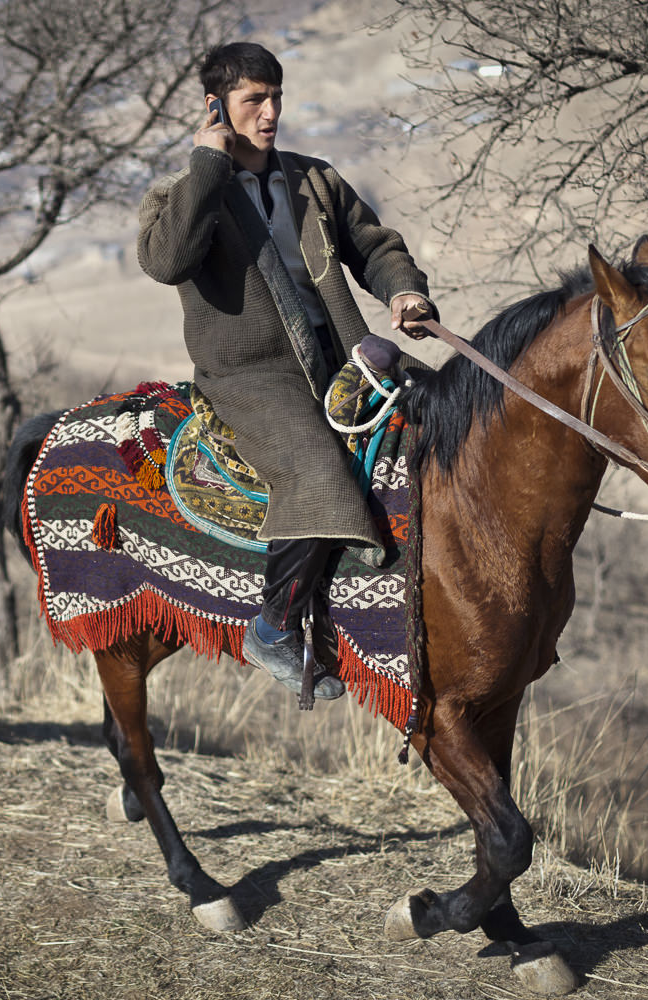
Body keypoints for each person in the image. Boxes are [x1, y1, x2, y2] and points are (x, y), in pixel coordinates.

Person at [137, 41, 435, 701]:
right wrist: (208, 164)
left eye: (276, 97)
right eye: (254, 100)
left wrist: (404, 293)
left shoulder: (314, 179)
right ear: (217, 106)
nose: (271, 113)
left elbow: (373, 245)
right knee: (315, 464)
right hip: (250, 376)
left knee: (440, 412)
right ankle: (274, 625)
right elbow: (167, 261)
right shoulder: (182, 194)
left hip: (341, 355)